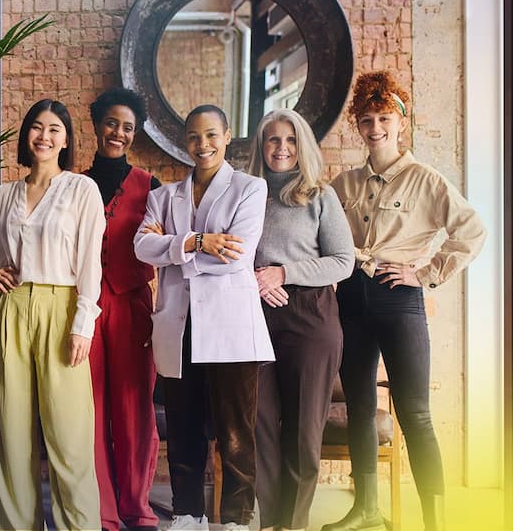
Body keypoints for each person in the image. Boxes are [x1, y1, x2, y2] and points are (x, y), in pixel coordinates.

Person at [323, 71, 486, 531]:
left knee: (415, 411)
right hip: (352, 300)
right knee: (357, 406)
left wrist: (426, 273)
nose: (376, 128)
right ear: (358, 125)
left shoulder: (426, 180)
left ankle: (434, 518)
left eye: (384, 118)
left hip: (400, 302)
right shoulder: (344, 185)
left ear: (401, 122)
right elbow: (324, 238)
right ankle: (367, 510)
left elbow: (472, 232)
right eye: (367, 119)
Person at [133, 104, 273, 531]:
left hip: (231, 325)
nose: (202, 144)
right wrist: (198, 241)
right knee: (184, 427)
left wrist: (174, 251)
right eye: (194, 137)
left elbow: (237, 256)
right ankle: (188, 513)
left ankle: (235, 518)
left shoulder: (249, 188)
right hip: (179, 324)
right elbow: (141, 247)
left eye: (211, 135)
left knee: (235, 431)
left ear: (227, 136)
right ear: (185, 141)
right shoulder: (163, 195)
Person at [0, 99, 105, 531]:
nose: (44, 136)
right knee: (11, 435)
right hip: (12, 308)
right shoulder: (0, 196)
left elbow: (91, 261)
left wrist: (83, 324)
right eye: (36, 127)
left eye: (54, 129)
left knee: (69, 438)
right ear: (25, 136)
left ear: (66, 139)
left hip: (62, 307)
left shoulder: (81, 190)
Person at [246, 109, 355, 531]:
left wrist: (284, 273)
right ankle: (270, 520)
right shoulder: (246, 195)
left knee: (302, 431)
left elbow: (343, 262)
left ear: (302, 146)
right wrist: (256, 279)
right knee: (259, 426)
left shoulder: (319, 196)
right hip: (255, 315)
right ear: (261, 145)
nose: (281, 148)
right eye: (273, 140)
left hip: (310, 319)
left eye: (290, 140)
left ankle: (293, 524)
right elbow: (232, 253)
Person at [83, 87, 163, 531]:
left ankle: (137, 507)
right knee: (90, 406)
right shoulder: (73, 183)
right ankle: (102, 511)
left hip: (133, 305)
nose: (119, 132)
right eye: (112, 123)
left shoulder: (151, 186)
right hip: (87, 308)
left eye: (128, 127)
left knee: (135, 406)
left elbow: (169, 244)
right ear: (97, 125)